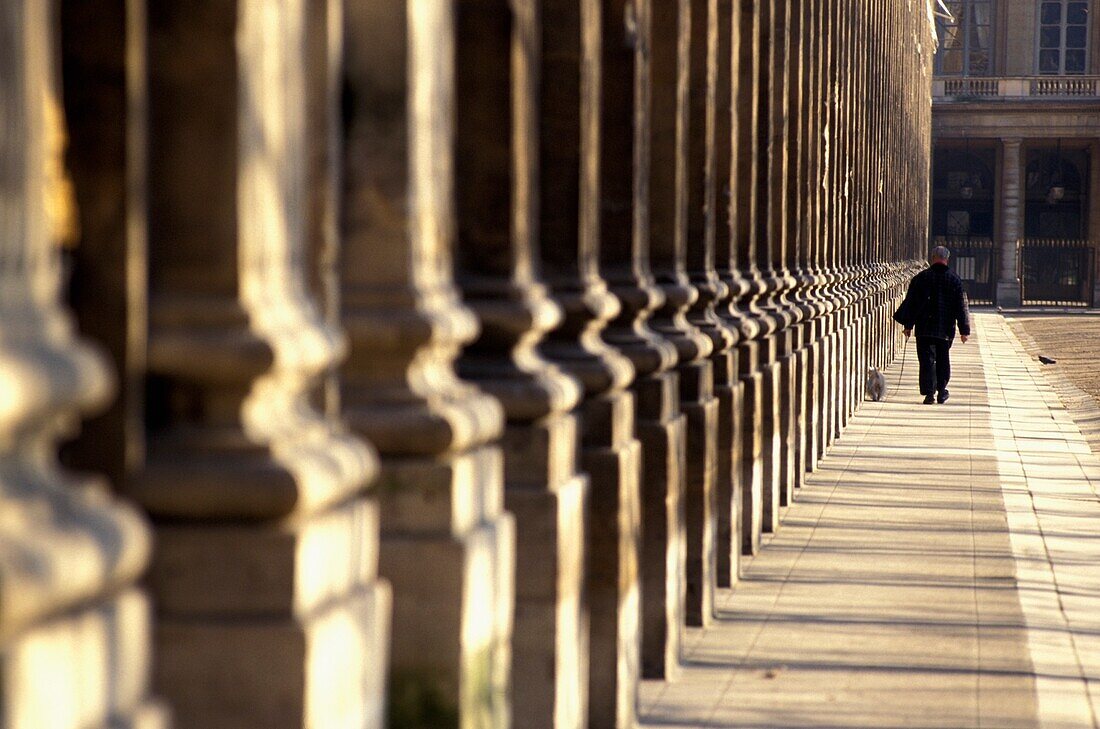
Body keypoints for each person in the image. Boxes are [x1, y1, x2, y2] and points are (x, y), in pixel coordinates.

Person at [893, 245, 971, 404]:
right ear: (946, 259)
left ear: (933, 258)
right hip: (945, 329)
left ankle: (929, 393)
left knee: (926, 360)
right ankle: (942, 391)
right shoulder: (954, 279)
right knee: (943, 359)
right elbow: (960, 306)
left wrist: (908, 325)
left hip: (924, 328)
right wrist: (964, 330)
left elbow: (912, 303)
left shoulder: (921, 278)